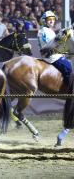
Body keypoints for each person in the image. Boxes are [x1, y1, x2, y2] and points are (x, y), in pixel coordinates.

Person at [37, 11, 73, 145]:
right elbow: (49, 47)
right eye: (49, 19)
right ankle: (71, 91)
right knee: (68, 67)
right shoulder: (43, 31)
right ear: (44, 21)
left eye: (52, 19)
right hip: (51, 57)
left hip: (56, 55)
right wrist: (60, 37)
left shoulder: (50, 31)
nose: (51, 21)